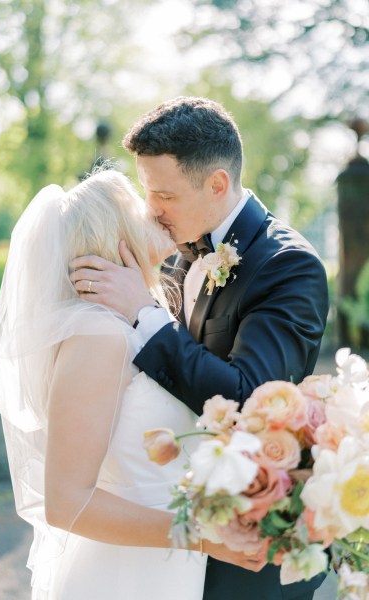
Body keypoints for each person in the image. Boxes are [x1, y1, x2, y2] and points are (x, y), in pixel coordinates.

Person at [70, 97, 330, 600]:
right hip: (175, 536)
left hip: (248, 547)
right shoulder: (177, 251)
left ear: (217, 184)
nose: (152, 210)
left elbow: (245, 398)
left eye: (164, 194)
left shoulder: (288, 267)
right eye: (148, 192)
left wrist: (142, 314)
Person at [0, 169, 245, 600]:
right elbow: (65, 503)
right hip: (121, 575)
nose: (155, 212)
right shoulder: (99, 337)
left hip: (164, 565)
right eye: (140, 208)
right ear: (115, 236)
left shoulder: (135, 324)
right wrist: (202, 535)